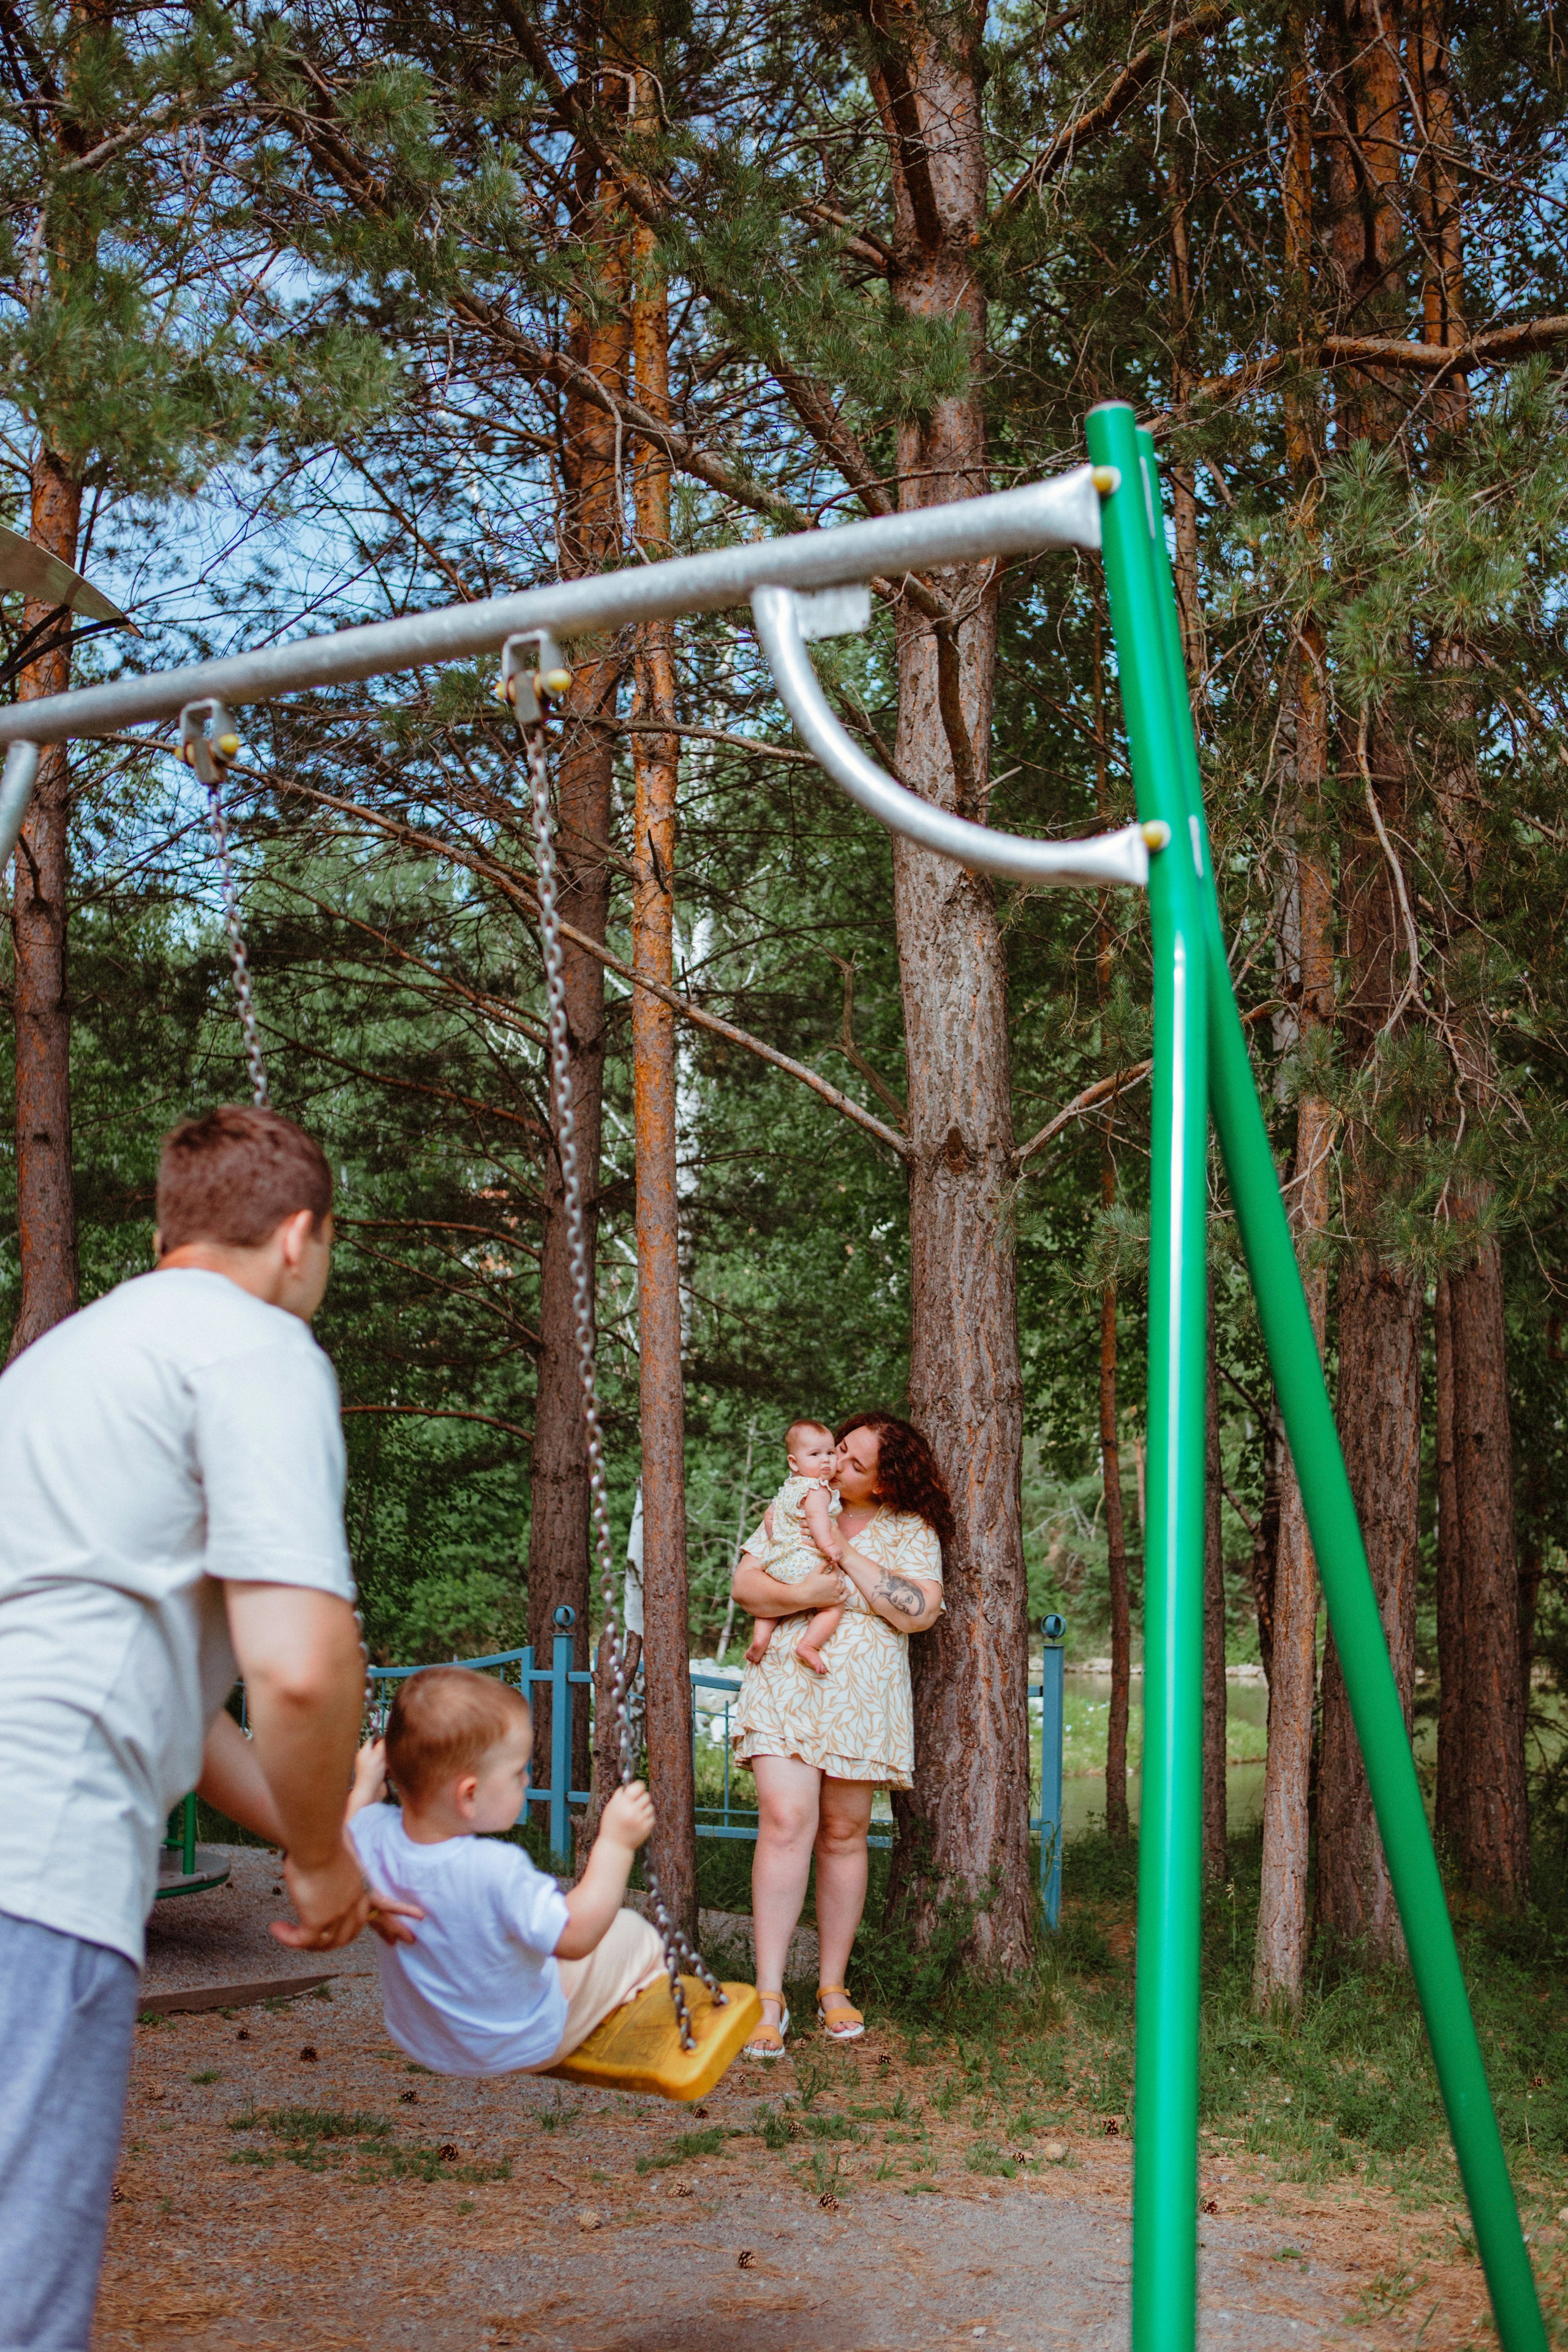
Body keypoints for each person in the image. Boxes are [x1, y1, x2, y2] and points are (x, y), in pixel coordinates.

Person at [0, 1103, 415, 2352]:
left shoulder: (60, 1365)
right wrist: (322, 1862)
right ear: (299, 1237)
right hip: (39, 1860)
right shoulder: (256, 1348)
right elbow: (298, 1667)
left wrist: (328, 1832)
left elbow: (187, 1719)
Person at [726, 1411, 951, 2058]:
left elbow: (918, 1612)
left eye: (853, 1463)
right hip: (786, 1689)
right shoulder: (796, 1502)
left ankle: (830, 1984)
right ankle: (769, 1993)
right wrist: (803, 1590)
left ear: (883, 1483)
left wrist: (845, 1556)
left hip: (862, 1699)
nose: (835, 1464)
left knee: (846, 1832)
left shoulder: (911, 1529)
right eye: (835, 1451)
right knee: (785, 1818)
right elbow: (746, 1584)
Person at [345, 1667, 666, 2073]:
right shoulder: (495, 1870)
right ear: (470, 1795)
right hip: (516, 2042)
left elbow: (346, 1830)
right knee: (633, 1933)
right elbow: (576, 1935)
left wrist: (364, 1785)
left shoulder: (369, 1836)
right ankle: (634, 2024)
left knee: (530, 1949)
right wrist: (616, 1844)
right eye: (517, 1772)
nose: (528, 1779)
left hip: (424, 2039)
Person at [742, 1418, 846, 1677]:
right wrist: (830, 1546)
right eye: (815, 1454)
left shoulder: (788, 1488)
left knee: (771, 1607)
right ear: (793, 1462)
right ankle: (809, 1645)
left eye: (830, 1453)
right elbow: (817, 1519)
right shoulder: (818, 1489)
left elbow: (770, 1517)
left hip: (777, 1561)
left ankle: (760, 1640)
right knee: (834, 1606)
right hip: (805, 1563)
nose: (826, 1461)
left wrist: (779, 1540)